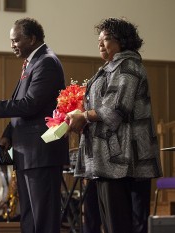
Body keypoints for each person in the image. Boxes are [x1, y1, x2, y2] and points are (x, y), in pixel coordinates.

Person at [0, 18, 69, 233]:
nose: (12, 45)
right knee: (29, 217)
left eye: (15, 40)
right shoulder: (32, 62)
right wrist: (8, 134)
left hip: (41, 153)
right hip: (28, 153)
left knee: (44, 219)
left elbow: (31, 104)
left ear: (31, 39)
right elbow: (26, 107)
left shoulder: (46, 62)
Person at [65, 17, 163, 233]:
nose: (100, 44)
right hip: (109, 160)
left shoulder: (128, 66)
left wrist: (84, 116)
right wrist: (79, 118)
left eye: (106, 39)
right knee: (110, 224)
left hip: (124, 161)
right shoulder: (110, 68)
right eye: (99, 40)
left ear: (123, 41)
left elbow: (115, 109)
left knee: (121, 225)